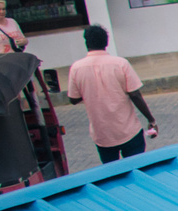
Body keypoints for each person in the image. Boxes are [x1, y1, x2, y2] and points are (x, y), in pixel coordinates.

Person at [61, 25, 158, 162]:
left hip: (102, 136)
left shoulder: (77, 68)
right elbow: (135, 95)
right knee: (137, 168)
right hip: (129, 132)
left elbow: (73, 99)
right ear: (106, 43)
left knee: (113, 175)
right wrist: (150, 119)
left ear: (86, 43)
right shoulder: (121, 64)